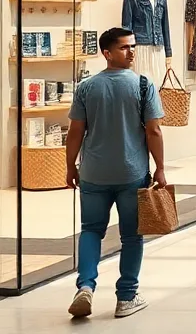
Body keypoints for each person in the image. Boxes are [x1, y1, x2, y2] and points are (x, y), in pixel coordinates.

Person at [65, 28, 166, 319]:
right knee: (132, 236)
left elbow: (76, 132)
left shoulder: (87, 87)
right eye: (124, 47)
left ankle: (86, 286)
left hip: (93, 173)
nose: (131, 52)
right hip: (131, 173)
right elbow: (154, 131)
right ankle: (126, 297)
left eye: (132, 46)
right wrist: (160, 168)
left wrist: (71, 165)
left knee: (91, 230)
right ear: (106, 53)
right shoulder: (143, 85)